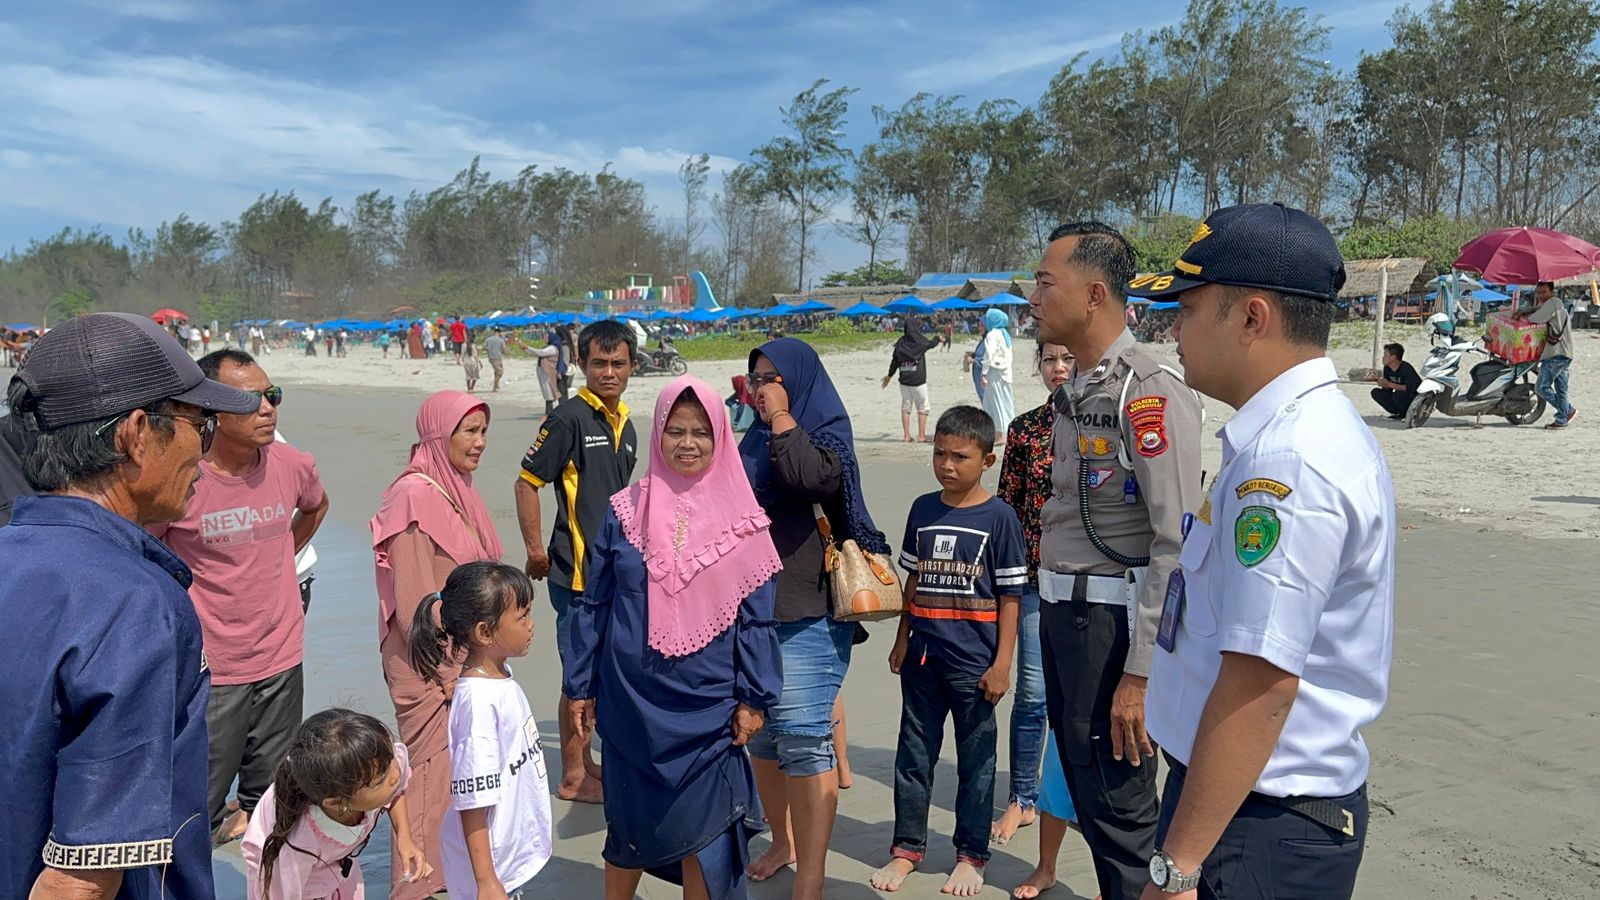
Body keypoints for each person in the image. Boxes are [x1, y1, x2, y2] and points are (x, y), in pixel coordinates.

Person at [1126, 202, 1395, 900]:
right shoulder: (1286, 436)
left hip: (1259, 824)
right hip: (1239, 805)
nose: (1172, 331)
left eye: (1185, 309)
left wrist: (1177, 866)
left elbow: (1260, 686)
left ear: (1251, 318)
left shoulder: (1290, 460)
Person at [0, 311, 260, 900]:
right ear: (136, 434)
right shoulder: (132, 602)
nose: (204, 453)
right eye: (203, 425)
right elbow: (78, 879)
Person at [1028, 222, 1203, 900]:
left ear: (1094, 294)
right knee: (1093, 802)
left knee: (1126, 817)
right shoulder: (1081, 387)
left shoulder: (1147, 390)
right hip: (1067, 622)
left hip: (1111, 635)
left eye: (1047, 283)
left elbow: (1178, 544)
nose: (1035, 296)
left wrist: (1142, 674)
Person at [566, 376, 783, 900]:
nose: (687, 443)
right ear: (658, 434)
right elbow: (593, 601)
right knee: (629, 827)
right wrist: (580, 684)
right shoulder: (625, 509)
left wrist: (753, 698)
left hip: (709, 709)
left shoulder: (746, 522)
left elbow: (757, 620)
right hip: (630, 703)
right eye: (675, 431)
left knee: (704, 836)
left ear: (722, 437)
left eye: (701, 432)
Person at [152, 349, 330, 845]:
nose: (268, 408)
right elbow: (146, 553)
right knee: (193, 810)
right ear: (210, 410)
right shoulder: (181, 479)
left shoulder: (292, 464)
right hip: (213, 667)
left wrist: (281, 557)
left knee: (271, 801)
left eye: (272, 395)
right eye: (249, 400)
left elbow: (315, 506)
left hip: (280, 653)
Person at [739, 337, 892, 898]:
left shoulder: (825, 433)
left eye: (773, 377)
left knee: (804, 738)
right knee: (761, 740)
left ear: (799, 378)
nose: (761, 388)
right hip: (751, 610)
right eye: (755, 379)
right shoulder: (750, 438)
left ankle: (810, 874)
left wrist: (781, 415)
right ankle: (782, 841)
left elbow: (808, 480)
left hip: (807, 610)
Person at [871, 405, 1027, 897]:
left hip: (975, 666)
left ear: (988, 460)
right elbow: (913, 580)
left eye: (960, 456)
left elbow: (1010, 596)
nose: (947, 465)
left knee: (976, 763)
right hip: (923, 657)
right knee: (913, 756)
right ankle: (906, 849)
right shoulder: (923, 508)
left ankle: (971, 856)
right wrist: (901, 640)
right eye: (939, 453)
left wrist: (1002, 665)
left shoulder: (1000, 517)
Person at [371, 389, 504, 899]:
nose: (479, 442)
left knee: (461, 780)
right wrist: (453, 676)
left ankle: (454, 879)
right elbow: (413, 608)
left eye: (482, 431)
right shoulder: (413, 495)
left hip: (463, 660)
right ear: (436, 435)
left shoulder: (457, 488)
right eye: (467, 432)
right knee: (429, 784)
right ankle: (416, 888)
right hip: (428, 664)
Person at [515, 319, 638, 804]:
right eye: (599, 363)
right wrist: (535, 551)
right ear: (582, 365)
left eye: (618, 363)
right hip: (576, 576)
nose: (609, 372)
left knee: (605, 672)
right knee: (579, 674)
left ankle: (588, 762)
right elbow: (527, 482)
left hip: (617, 573)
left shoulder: (625, 422)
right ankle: (571, 775)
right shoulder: (567, 419)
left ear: (631, 367)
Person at [411, 562, 554, 899]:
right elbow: (473, 800)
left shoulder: (499, 676)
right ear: (484, 633)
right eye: (522, 617)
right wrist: (486, 881)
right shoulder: (478, 704)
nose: (531, 626)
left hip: (507, 850)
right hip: (491, 866)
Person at [991, 341, 1074, 848]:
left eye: (1068, 359)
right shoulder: (1026, 428)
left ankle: (1075, 798)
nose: (1060, 368)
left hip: (1096, 583)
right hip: (1034, 579)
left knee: (1087, 696)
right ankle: (1023, 796)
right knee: (1034, 694)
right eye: (1049, 360)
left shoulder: (1107, 420)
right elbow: (1008, 507)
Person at [242, 709, 431, 899]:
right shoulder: (300, 842)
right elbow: (282, 892)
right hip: (284, 873)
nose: (394, 776)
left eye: (390, 761)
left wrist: (404, 838)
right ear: (337, 803)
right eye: (379, 781)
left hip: (337, 863)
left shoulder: (381, 763)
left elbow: (396, 791)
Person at [1528, 280, 1577, 428]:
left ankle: (1566, 411)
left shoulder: (1552, 303)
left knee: (1541, 388)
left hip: (1556, 353)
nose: (1541, 295)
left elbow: (1535, 318)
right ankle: (1564, 417)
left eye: (1544, 292)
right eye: (1538, 292)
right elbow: (1536, 310)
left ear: (1551, 291)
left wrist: (1522, 317)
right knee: (1561, 389)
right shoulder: (1556, 304)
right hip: (1566, 352)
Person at [882, 314, 937, 443]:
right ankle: (921, 435)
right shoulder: (920, 341)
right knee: (923, 407)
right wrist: (937, 338)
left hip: (904, 381)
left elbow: (895, 361)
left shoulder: (900, 343)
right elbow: (931, 344)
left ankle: (906, 436)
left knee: (906, 407)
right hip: (918, 381)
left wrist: (889, 375)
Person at [981, 308, 1016, 439]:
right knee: (1003, 401)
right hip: (1004, 373)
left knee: (996, 402)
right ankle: (1006, 431)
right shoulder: (1005, 335)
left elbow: (989, 355)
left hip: (994, 372)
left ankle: (1000, 434)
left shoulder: (992, 334)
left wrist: (983, 373)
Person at [1367, 342, 1421, 419]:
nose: (1383, 358)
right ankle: (1398, 412)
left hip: (1415, 398)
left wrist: (1389, 384)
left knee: (1398, 394)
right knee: (1376, 392)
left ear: (1393, 357)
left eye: (1385, 355)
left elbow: (1410, 388)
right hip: (1399, 397)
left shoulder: (1405, 368)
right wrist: (1378, 381)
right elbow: (1388, 390)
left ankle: (1406, 414)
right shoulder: (1387, 368)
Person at [486, 326, 508, 392]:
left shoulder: (488, 339)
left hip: (491, 357)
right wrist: (505, 352)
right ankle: (494, 387)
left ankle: (497, 385)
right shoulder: (501, 340)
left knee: (496, 372)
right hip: (498, 357)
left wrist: (489, 349)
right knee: (500, 372)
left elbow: (484, 347)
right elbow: (504, 349)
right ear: (499, 333)